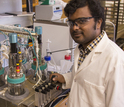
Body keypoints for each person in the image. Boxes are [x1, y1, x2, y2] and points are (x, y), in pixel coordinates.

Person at [50, 0, 124, 107]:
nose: (75, 27)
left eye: (82, 21)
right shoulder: (82, 49)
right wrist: (65, 78)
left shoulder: (116, 61)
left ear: (98, 22)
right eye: (72, 22)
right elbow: (88, 79)